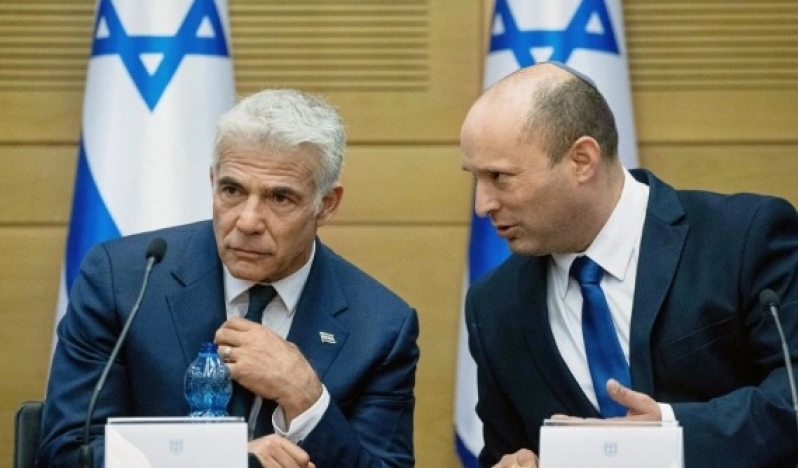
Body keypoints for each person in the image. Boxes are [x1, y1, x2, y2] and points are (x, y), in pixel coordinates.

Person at [38, 89, 420, 468]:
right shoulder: (123, 282)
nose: (248, 221)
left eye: (280, 198)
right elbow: (68, 454)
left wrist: (306, 400)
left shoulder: (380, 328)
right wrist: (228, 459)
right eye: (232, 190)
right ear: (213, 181)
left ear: (326, 205)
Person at [459, 61, 798, 468]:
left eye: (500, 177)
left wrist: (670, 431)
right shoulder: (493, 306)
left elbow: (792, 393)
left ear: (582, 160)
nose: (482, 205)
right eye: (475, 178)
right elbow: (504, 451)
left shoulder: (742, 238)